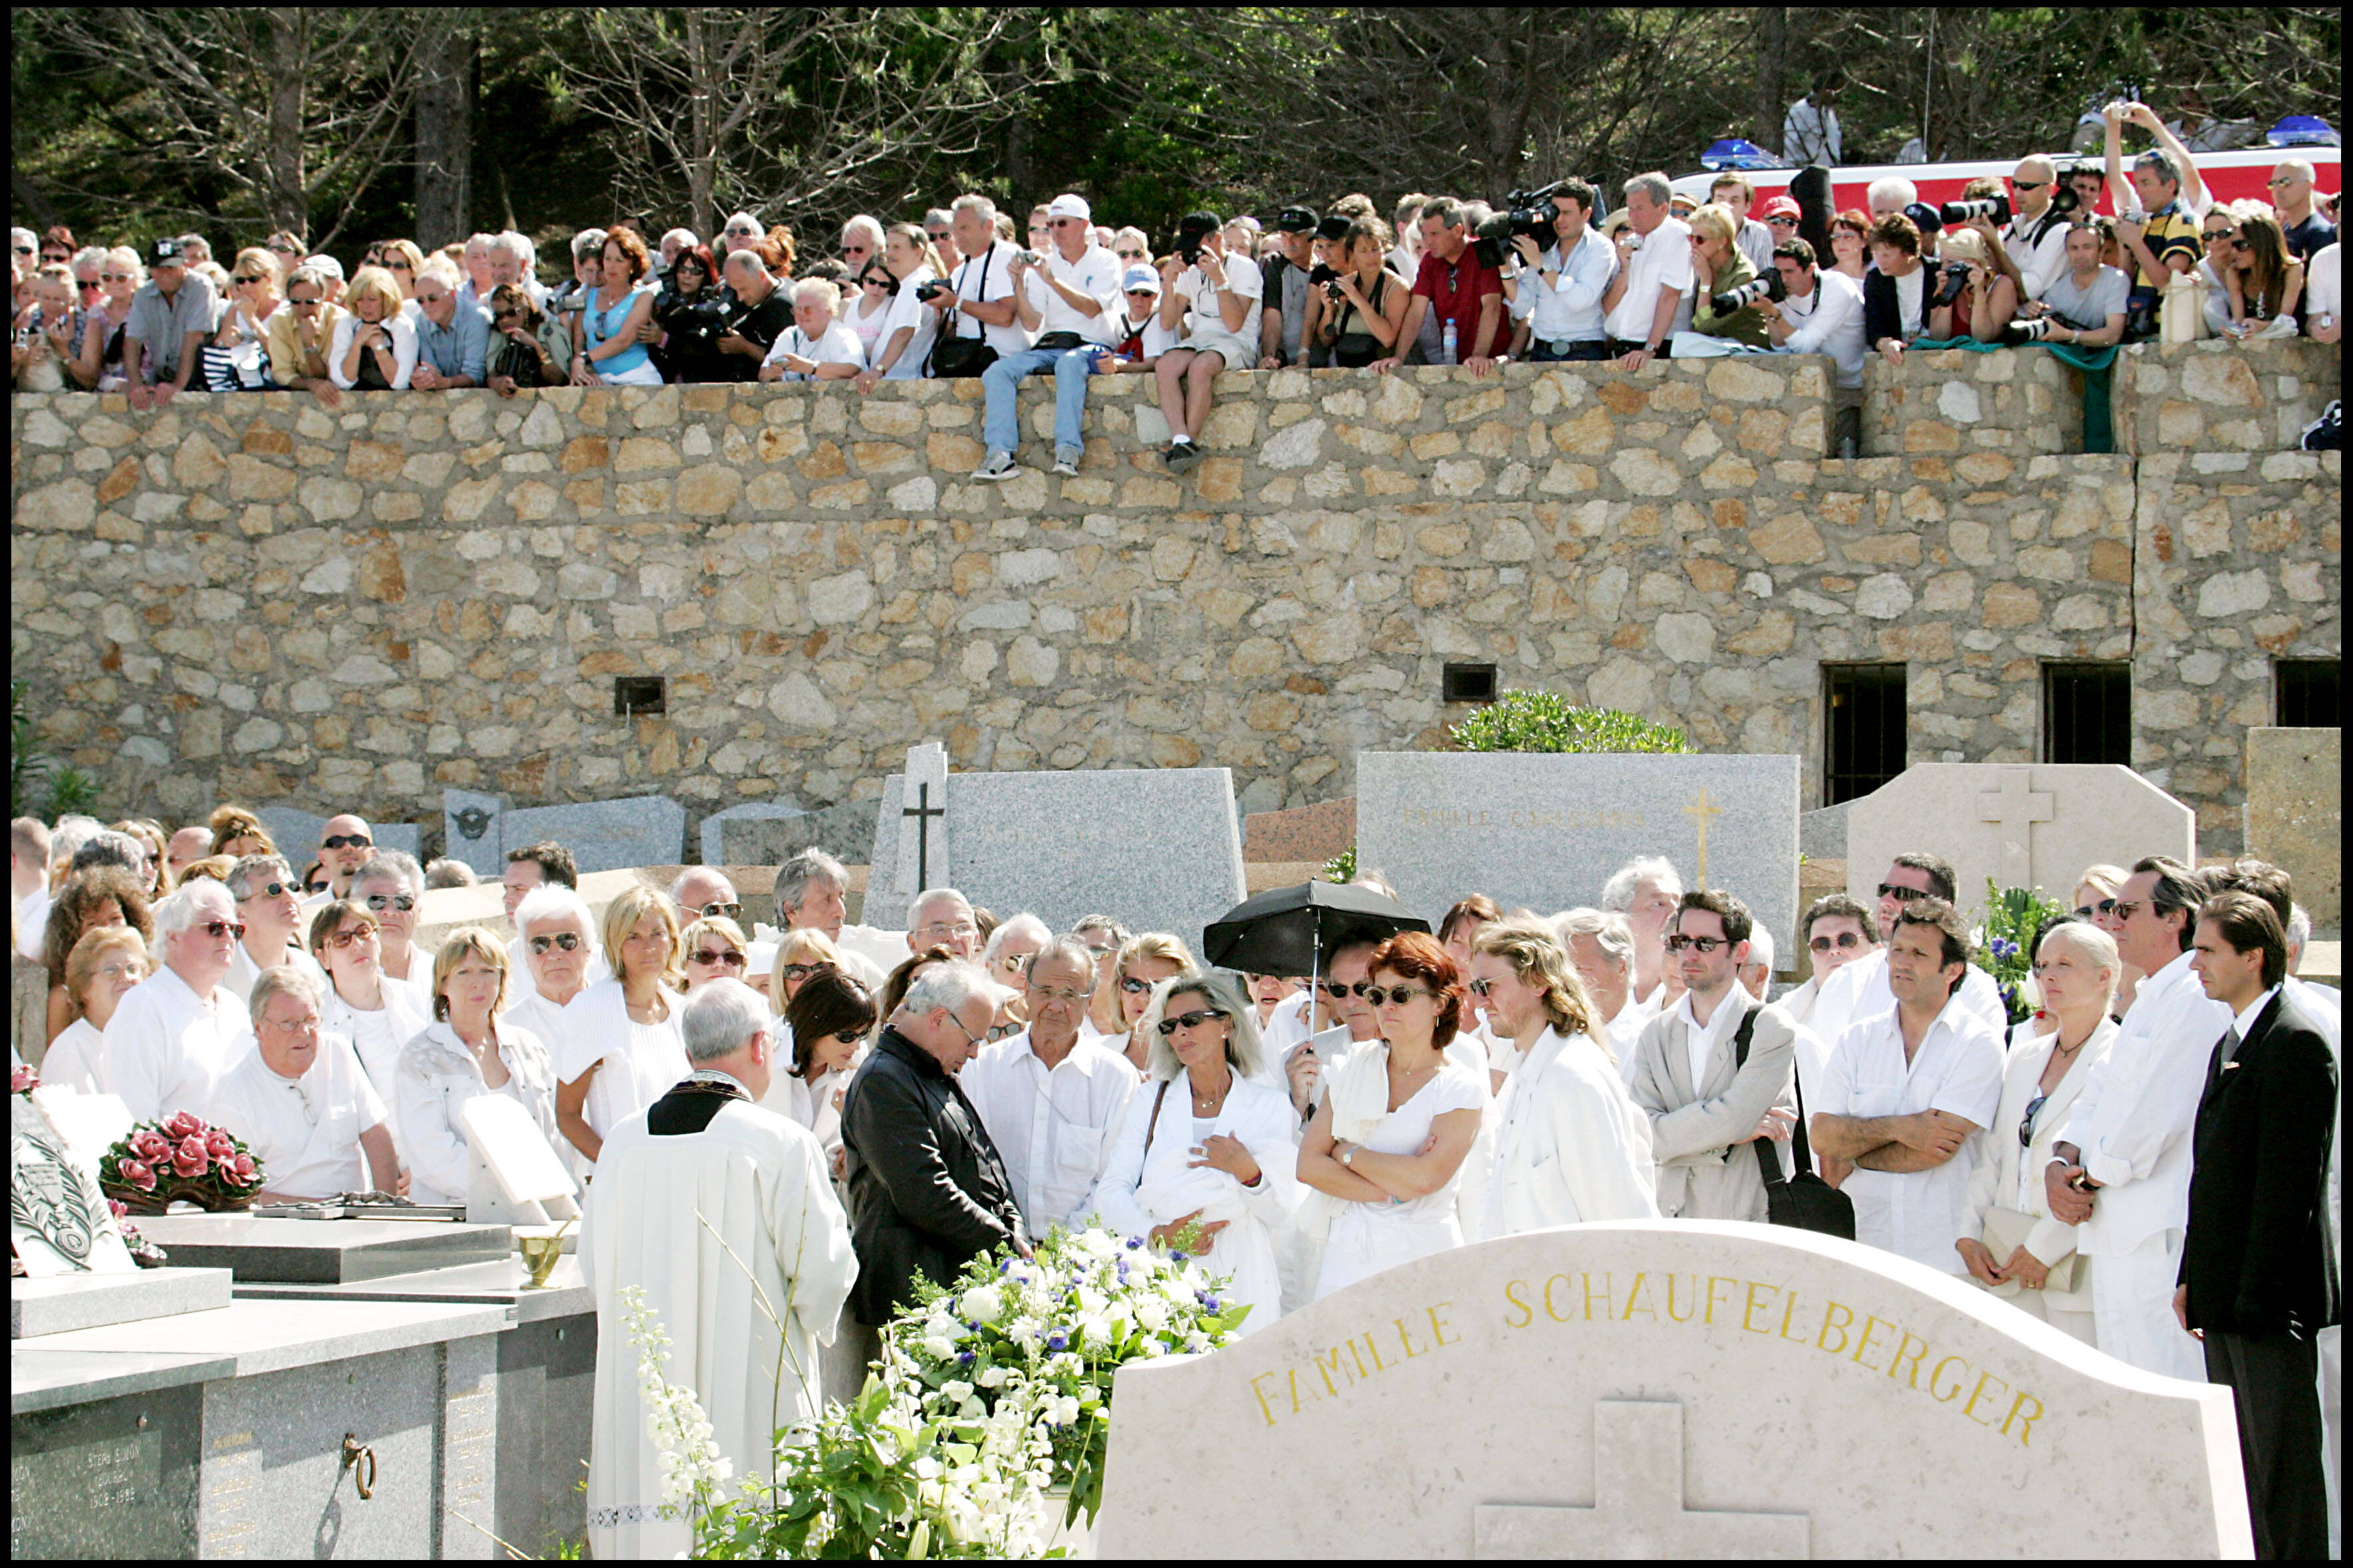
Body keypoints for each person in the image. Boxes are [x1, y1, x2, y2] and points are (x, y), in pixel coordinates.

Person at [579, 978, 856, 1561]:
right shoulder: (779, 1141)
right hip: (750, 1374)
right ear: (761, 1046)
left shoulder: (623, 1142)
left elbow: (593, 1265)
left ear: (689, 1052)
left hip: (646, 1380)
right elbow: (824, 1268)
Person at [2175, 893, 2335, 1560]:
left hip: (2266, 1303)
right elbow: (2210, 1175)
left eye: (2209, 949)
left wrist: (2254, 1300)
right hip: (2225, 1296)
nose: (2196, 964)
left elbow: (2286, 1192)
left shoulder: (2294, 1043)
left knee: (2279, 1470)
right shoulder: (2231, 1042)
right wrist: (2191, 1277)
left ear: (2253, 956)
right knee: (2239, 1468)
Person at [2045, 854, 2233, 1358]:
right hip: (2115, 1229)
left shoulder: (2195, 996)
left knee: (2168, 1390)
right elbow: (2099, 1090)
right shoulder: (2151, 995)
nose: (2112, 921)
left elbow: (2156, 1119)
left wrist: (2084, 1177)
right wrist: (2062, 1157)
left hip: (2157, 1237)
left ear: (2174, 918)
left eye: (2126, 909)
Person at [1084, 968, 1301, 1335]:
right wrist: (1159, 1234)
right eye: (1169, 1027)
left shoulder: (1270, 1106)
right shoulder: (1150, 1100)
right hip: (1164, 1273)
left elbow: (1284, 1212)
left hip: (1244, 1273)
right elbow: (1111, 1190)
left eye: (1192, 1020)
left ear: (1226, 1025)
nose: (1180, 1033)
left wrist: (1249, 1173)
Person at [838, 959, 1025, 1367]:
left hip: (953, 1291)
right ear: (940, 1019)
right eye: (973, 1039)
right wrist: (1007, 1245)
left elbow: (985, 1160)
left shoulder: (928, 1071)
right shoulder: (883, 1080)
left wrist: (1014, 1224)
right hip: (914, 1298)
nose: (975, 1053)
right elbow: (924, 1192)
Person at [1809, 895, 2005, 1274]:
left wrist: (1856, 1154)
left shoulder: (1977, 1043)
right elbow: (1823, 1137)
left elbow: (1934, 1150)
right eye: (1897, 949)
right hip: (1869, 1244)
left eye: (1918, 953)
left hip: (1945, 1253)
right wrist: (1903, 1127)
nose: (1901, 962)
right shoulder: (1857, 1039)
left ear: (1952, 971)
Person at [1297, 933, 1485, 1301]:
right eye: (1377, 995)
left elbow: (1426, 1178)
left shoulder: (1461, 1087)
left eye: (1401, 995)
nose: (1386, 1007)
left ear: (1440, 1002)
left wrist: (1347, 1154)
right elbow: (1307, 1166)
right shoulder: (1353, 1067)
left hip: (1424, 1265)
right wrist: (1390, 1192)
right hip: (1348, 1260)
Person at [1956, 920, 2119, 1345]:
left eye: (2065, 964)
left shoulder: (2119, 1056)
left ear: (2105, 976)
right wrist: (1969, 1234)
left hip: (2075, 1271)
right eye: (2044, 965)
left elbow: (2095, 1171)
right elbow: (1993, 1152)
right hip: (2005, 1258)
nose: (2048, 976)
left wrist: (2042, 1250)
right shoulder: (2025, 1056)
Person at [1471, 917, 1658, 1237]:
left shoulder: (1573, 1077)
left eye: (1488, 986)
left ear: (1538, 981)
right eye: (1475, 988)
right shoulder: (1528, 1072)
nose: (1480, 1000)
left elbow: (1617, 1217)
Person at [1628, 891, 1798, 1222]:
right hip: (1672, 1220)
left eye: (1705, 943)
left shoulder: (1770, 1027)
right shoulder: (1656, 1033)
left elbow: (1736, 1119)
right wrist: (1727, 1135)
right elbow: (1643, 1136)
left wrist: (1680, 1141)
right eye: (1681, 941)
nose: (1689, 954)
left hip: (1744, 1222)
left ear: (1740, 951)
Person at [959, 937, 1139, 1234]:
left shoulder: (1116, 1079)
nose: (1056, 1006)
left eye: (1070, 994)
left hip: (1085, 1259)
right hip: (995, 1248)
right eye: (1045, 992)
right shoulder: (982, 1068)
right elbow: (971, 1165)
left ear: (1090, 1002)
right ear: (1026, 993)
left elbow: (1114, 1179)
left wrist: (1064, 1248)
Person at [397, 927, 559, 1207]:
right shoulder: (419, 1057)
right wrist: (508, 1188)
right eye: (464, 973)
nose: (478, 983)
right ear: (442, 985)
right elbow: (431, 1153)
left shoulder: (529, 1048)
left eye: (487, 971)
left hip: (536, 1207)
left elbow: (552, 1138)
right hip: (452, 1216)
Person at [206, 966, 399, 1200]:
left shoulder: (337, 1053)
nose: (304, 1032)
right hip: (283, 1224)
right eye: (289, 1024)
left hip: (356, 1216)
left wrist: (386, 1208)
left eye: (310, 1020)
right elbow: (242, 1194)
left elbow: (376, 1135)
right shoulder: (234, 1093)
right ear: (259, 1028)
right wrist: (324, 1210)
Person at [974, 194, 1122, 481]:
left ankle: (1068, 450)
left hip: (1092, 344)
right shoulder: (1045, 264)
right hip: (1052, 343)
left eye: (1062, 223)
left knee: (1068, 364)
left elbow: (1092, 308)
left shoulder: (1106, 260)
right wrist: (1018, 283)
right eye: (1051, 224)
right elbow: (1031, 323)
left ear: (1084, 225)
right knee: (998, 371)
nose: (1055, 231)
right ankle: (1000, 454)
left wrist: (1051, 280)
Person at [1806, 854, 2008, 1043]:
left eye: (1904, 894)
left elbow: (1980, 1064)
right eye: (1885, 891)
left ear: (1943, 909)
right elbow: (1826, 1069)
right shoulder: (1846, 981)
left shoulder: (1975, 989)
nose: (1886, 902)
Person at [556, 885, 690, 1168]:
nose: (649, 947)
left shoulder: (683, 1012)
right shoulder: (591, 1010)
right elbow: (567, 1115)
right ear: (616, 944)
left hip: (681, 1178)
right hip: (621, 1186)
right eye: (634, 937)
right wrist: (618, 1165)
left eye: (657, 934)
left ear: (673, 940)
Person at [101, 880, 253, 1123]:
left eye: (234, 930)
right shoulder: (142, 1008)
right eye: (215, 928)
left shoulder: (233, 1007)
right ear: (173, 937)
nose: (227, 938)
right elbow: (133, 1119)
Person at [309, 899, 430, 1159]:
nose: (357, 944)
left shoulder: (418, 1000)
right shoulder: (316, 1025)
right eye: (342, 939)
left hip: (432, 1155)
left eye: (364, 932)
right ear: (323, 957)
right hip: (368, 1168)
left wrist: (426, 1167)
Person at [1154, 213, 1265, 469]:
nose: (1193, 252)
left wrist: (1220, 280)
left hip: (1235, 342)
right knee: (1166, 366)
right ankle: (1181, 438)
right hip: (1201, 339)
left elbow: (1235, 324)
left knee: (1201, 368)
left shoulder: (1244, 268)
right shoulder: (1190, 270)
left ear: (1217, 239)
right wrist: (1169, 283)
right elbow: (1167, 322)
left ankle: (1186, 443)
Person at [1371, 197, 1505, 376]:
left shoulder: (1483, 252)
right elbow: (1416, 311)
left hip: (1491, 362)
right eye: (1424, 235)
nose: (1427, 243)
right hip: (1455, 362)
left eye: (1434, 234)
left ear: (1457, 230)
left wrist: (1479, 355)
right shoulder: (1430, 262)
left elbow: (1492, 307)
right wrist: (1399, 358)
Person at [1503, 180, 1613, 362]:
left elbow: (1580, 299)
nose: (1559, 220)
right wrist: (1505, 267)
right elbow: (1523, 307)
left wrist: (1541, 265)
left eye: (1567, 213)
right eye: (1555, 212)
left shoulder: (1600, 248)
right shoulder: (1545, 246)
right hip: (1542, 351)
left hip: (1585, 351)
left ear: (1586, 214)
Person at [41, 866, 152, 1046]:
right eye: (93, 923)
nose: (108, 928)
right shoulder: (62, 997)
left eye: (115, 918)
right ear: (73, 933)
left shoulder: (148, 977)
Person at [772, 964, 874, 1160]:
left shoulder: (857, 1056)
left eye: (863, 1034)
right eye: (846, 1036)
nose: (855, 1045)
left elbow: (834, 1142)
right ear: (815, 1025)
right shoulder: (765, 1054)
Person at [1598, 172, 1693, 370]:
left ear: (1663, 208)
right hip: (1622, 345)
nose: (1633, 216)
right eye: (1630, 209)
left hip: (1656, 349)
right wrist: (1624, 270)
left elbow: (1670, 296)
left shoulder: (1677, 236)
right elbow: (1608, 307)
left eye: (1640, 209)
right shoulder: (1632, 239)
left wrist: (1650, 349)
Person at [40, 927, 148, 1093]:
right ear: (84, 988)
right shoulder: (71, 1052)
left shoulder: (149, 1040)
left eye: (133, 969)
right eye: (111, 970)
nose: (126, 977)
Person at [503, 841, 610, 1002]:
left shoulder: (606, 966)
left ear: (556, 891)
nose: (507, 899)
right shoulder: (501, 965)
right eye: (507, 889)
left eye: (519, 889)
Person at [120, 238, 219, 411]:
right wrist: (136, 385)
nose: (165, 273)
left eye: (171, 268)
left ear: (185, 266)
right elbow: (132, 340)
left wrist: (178, 385)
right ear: (150, 270)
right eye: (159, 268)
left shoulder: (201, 287)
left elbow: (194, 338)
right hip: (162, 374)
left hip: (200, 377)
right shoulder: (143, 294)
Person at [502, 882, 596, 1054]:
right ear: (525, 955)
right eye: (540, 944)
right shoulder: (507, 1032)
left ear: (588, 948)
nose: (554, 954)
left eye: (567, 941)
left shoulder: (620, 1011)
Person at [1553, 907, 1650, 1077]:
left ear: (1622, 967)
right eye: (1562, 972)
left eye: (1582, 969)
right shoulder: (1549, 1035)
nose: (1568, 982)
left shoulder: (1648, 1041)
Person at [2004, 221, 2129, 348]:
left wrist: (2069, 335)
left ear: (2101, 251)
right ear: (2067, 252)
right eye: (2074, 248)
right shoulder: (2056, 291)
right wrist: (2033, 312)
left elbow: (2113, 335)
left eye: (2087, 247)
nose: (2080, 255)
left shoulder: (2116, 279)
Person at [1309, 217, 1411, 370]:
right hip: (1344, 368)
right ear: (1351, 253)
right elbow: (1325, 340)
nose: (1371, 257)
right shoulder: (1344, 284)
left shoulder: (1396, 287)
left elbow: (1388, 338)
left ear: (1384, 249)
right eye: (1363, 251)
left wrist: (1358, 299)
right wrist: (1329, 309)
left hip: (1381, 370)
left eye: (1375, 249)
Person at [221, 854, 324, 1002]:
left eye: (293, 887)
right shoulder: (218, 976)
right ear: (240, 913)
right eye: (274, 891)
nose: (290, 897)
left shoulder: (310, 968)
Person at [852, 223, 943, 390]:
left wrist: (877, 371)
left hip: (904, 383)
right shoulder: (912, 282)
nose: (889, 254)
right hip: (900, 381)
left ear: (918, 251)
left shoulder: (916, 284)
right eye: (888, 247)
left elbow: (904, 332)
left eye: (897, 247)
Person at [1094, 932, 1195, 1072]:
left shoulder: (1195, 1065)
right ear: (1119, 990)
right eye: (1133, 984)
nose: (1143, 997)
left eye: (1157, 987)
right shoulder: (1093, 1055)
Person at [572, 229, 661, 388]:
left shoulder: (643, 297)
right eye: (608, 259)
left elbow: (623, 340)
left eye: (620, 260)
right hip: (597, 379)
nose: (612, 267)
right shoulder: (585, 297)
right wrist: (587, 368)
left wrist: (584, 359)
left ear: (633, 265)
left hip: (636, 377)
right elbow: (579, 343)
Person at [1599, 855, 1683, 1012]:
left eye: (1678, 904)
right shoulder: (1595, 988)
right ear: (1620, 918)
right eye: (1658, 904)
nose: (1674, 914)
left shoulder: (1692, 988)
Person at [1781, 893, 1878, 1028]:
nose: (1834, 950)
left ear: (1877, 950)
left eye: (1847, 940)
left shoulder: (1899, 1006)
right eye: (1821, 945)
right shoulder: (1782, 1016)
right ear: (1811, 956)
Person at [1687, 201, 1771, 348]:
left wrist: (1706, 282)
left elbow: (1703, 325)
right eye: (1690, 238)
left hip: (1748, 351)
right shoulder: (1703, 263)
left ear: (1722, 242)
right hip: (1717, 344)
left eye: (1700, 240)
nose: (1693, 245)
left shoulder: (1744, 275)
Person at [350, 852, 428, 999]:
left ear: (419, 910)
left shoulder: (441, 974)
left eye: (403, 901)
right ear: (353, 907)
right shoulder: (335, 981)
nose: (390, 912)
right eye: (377, 901)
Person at [2218, 209, 2304, 341]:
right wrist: (2234, 330)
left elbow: (2285, 320)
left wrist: (2263, 326)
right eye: (2233, 245)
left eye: (2242, 245)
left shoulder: (2292, 269)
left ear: (2262, 244)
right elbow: (2238, 319)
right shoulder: (2235, 273)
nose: (2234, 252)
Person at [759, 279, 866, 382]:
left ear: (828, 312)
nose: (802, 314)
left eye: (808, 309)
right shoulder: (790, 335)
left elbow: (853, 368)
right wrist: (771, 373)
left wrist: (811, 367)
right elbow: (763, 373)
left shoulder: (843, 335)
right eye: (798, 309)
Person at [328, 267, 417, 390]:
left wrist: (378, 346)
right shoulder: (346, 324)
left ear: (387, 300)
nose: (366, 306)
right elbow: (341, 380)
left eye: (372, 300)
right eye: (360, 300)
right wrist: (357, 343)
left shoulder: (402, 325)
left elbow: (400, 382)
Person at [1860, 213, 1932, 364]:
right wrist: (1885, 343)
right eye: (1875, 254)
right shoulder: (1875, 280)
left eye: (1887, 254)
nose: (1879, 261)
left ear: (1907, 251)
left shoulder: (1935, 272)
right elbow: (1874, 326)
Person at [406, 263, 490, 390]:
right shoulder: (420, 322)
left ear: (452, 294)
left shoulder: (477, 317)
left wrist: (446, 383)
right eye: (421, 301)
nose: (427, 305)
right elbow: (431, 370)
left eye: (433, 298)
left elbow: (476, 375)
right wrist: (423, 378)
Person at [2269, 157, 2336, 263]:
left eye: (2285, 183)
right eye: (2272, 184)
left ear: (2308, 186)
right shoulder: (2285, 229)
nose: (2277, 190)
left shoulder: (2319, 233)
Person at [678, 915, 751, 994]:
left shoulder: (757, 1006)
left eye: (731, 957)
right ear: (683, 966)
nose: (720, 964)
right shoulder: (670, 1006)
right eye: (705, 956)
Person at [1783, 81, 1842, 167]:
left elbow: (1835, 141)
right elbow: (1791, 145)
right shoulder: (1800, 110)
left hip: (1830, 170)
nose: (1833, 96)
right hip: (1809, 172)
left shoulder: (1828, 112)